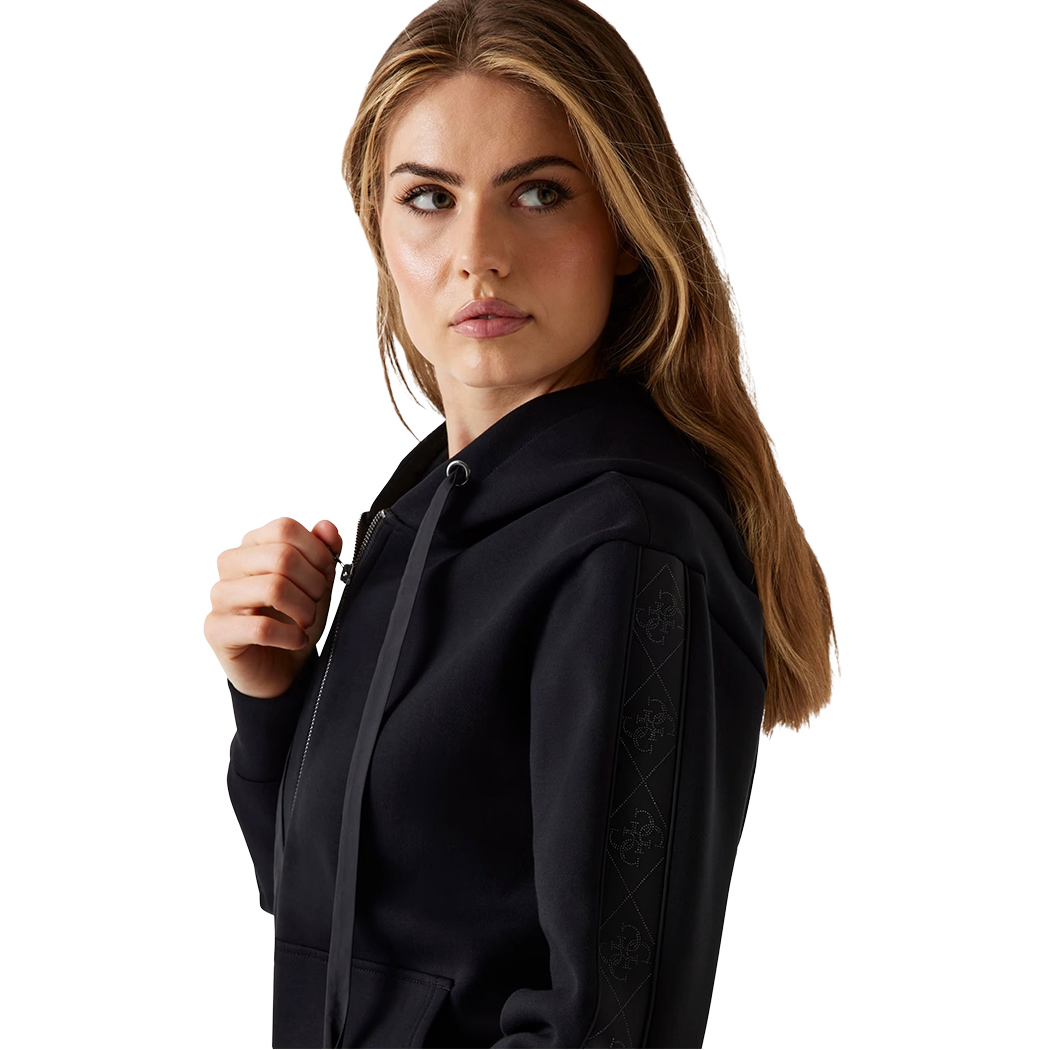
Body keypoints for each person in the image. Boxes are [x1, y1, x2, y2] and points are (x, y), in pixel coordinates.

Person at [203, 0, 837, 1045]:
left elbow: (607, 1029)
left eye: (539, 193)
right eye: (429, 198)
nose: (479, 254)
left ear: (624, 227)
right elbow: (342, 927)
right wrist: (272, 696)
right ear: (378, 229)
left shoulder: (624, 543)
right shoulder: (429, 511)